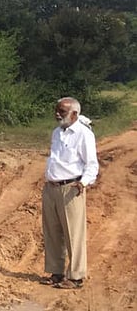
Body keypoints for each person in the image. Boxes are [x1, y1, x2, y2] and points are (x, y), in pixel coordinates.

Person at [41, 97, 99, 289]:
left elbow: (91, 164)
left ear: (75, 114)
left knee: (73, 234)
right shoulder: (57, 133)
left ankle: (75, 277)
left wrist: (83, 183)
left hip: (71, 188)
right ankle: (56, 272)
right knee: (52, 232)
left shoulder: (83, 134)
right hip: (51, 187)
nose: (57, 114)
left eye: (62, 112)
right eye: (56, 111)